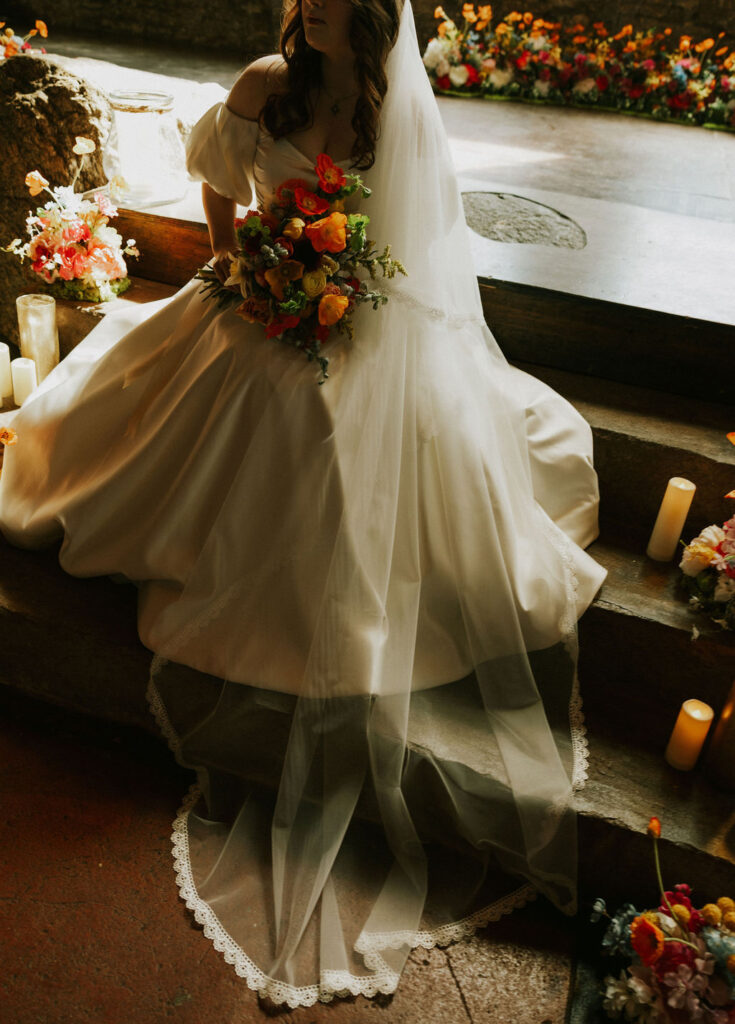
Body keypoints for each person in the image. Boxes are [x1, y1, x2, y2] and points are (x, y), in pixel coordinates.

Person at [0, 0, 607, 1007]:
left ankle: (321, 602)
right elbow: (214, 183)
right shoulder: (260, 88)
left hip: (358, 310)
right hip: (257, 290)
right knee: (241, 391)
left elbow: (416, 259)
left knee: (324, 416)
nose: (314, 8)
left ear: (374, 16)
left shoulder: (395, 116)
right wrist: (238, 260)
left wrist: (344, 292)